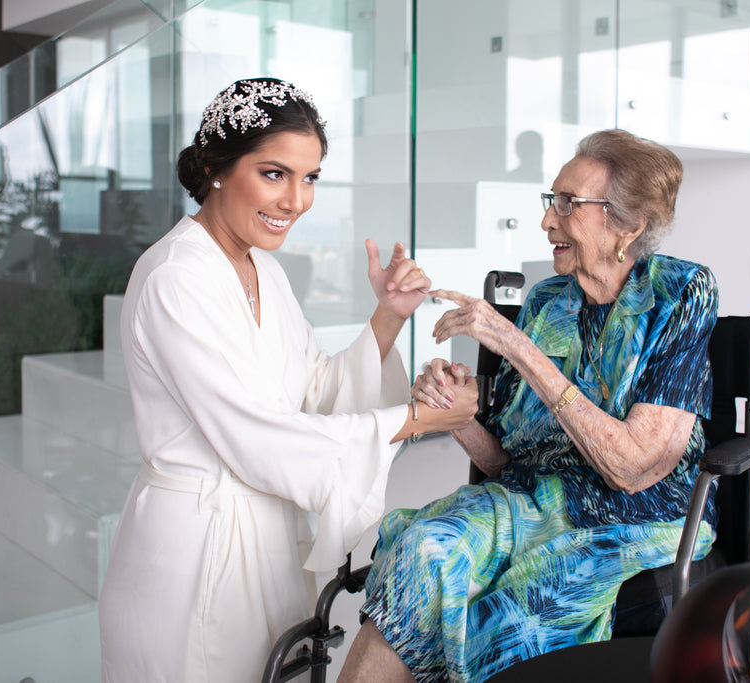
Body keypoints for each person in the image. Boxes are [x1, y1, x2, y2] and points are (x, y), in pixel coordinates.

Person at [98, 78, 478, 682]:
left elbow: (314, 394)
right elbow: (257, 436)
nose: (297, 201)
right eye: (275, 173)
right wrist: (418, 420)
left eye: (310, 178)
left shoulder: (261, 269)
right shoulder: (177, 277)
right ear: (213, 165)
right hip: (193, 553)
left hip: (264, 544)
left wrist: (388, 317)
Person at [339, 128, 719, 683]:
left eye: (568, 204)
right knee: (421, 552)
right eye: (551, 201)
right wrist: (457, 413)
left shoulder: (680, 292)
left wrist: (515, 345)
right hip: (534, 499)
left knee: (520, 606)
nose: (548, 220)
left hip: (641, 517)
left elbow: (633, 468)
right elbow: (504, 464)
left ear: (628, 226)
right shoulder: (547, 302)